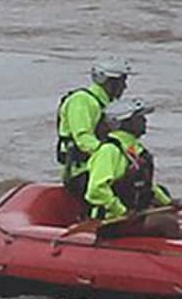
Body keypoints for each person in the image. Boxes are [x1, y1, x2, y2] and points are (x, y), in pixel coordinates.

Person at [85, 97, 182, 238]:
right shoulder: (109, 151)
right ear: (124, 122)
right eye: (139, 117)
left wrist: (167, 202)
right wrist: (121, 210)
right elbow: (96, 190)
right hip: (111, 221)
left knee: (168, 214)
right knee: (167, 223)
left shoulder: (135, 149)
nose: (144, 121)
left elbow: (148, 184)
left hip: (133, 216)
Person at [56, 58, 133, 198]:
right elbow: (84, 140)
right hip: (82, 172)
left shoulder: (105, 105)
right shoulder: (82, 101)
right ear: (108, 82)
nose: (125, 87)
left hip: (102, 169)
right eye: (122, 82)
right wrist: (112, 155)